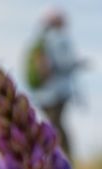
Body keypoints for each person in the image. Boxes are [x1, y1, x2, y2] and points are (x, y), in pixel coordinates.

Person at [26, 8, 85, 159]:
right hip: (57, 92)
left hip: (41, 93)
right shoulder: (58, 38)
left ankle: (53, 156)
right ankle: (65, 158)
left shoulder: (40, 39)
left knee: (53, 124)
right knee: (57, 125)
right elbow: (62, 63)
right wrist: (77, 63)